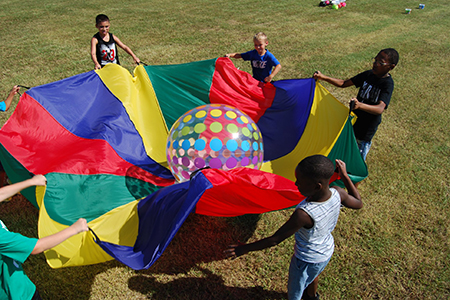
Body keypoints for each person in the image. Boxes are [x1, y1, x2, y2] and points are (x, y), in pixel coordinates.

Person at [224, 155, 362, 300]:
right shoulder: (337, 192)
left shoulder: (304, 214)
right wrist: (345, 177)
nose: (296, 184)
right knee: (313, 274)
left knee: (295, 291)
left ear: (317, 186)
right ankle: (311, 296)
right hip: (326, 251)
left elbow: (274, 240)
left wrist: (243, 249)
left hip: (306, 259)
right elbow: (358, 203)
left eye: (300, 182)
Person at [0, 175, 89, 300]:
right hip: (18, 294)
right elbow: (36, 247)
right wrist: (74, 229)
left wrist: (31, 181)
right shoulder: (1, 238)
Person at [313, 48, 399, 161]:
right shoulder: (368, 75)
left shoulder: (387, 84)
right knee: (344, 152)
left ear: (391, 67)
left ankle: (351, 177)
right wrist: (323, 77)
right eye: (375, 60)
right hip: (353, 122)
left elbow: (380, 108)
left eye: (380, 62)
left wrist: (360, 106)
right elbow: (344, 83)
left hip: (365, 130)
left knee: (356, 160)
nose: (375, 64)